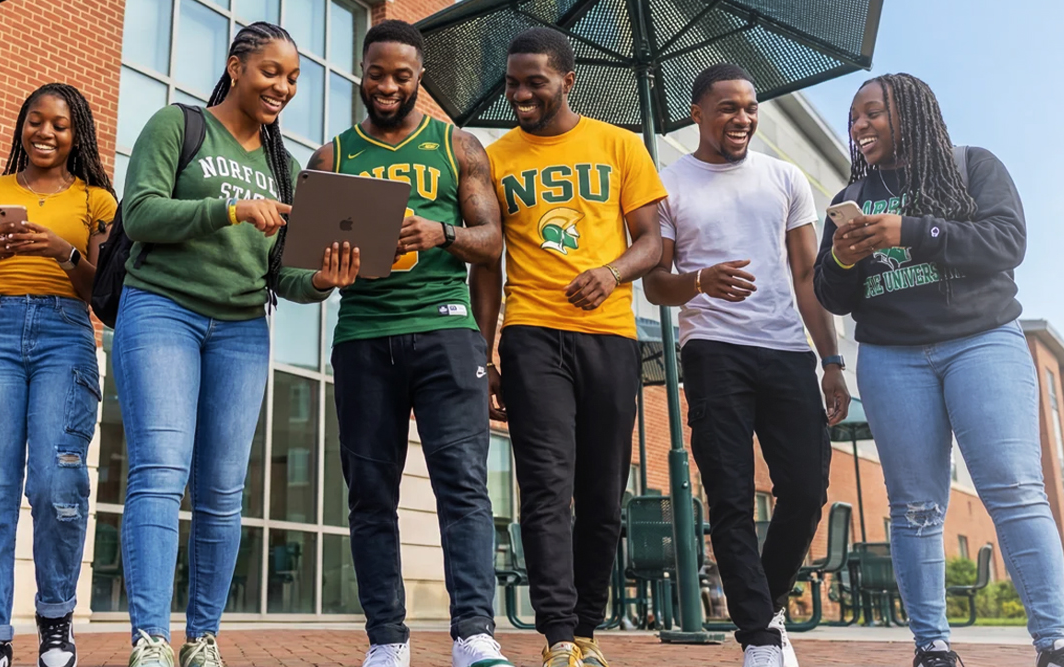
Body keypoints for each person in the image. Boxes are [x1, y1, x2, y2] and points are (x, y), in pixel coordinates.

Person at [814, 73, 1064, 667]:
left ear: (910, 114)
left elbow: (1006, 241)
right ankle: (933, 647)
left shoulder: (972, 166)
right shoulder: (853, 194)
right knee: (914, 506)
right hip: (891, 358)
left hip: (981, 342)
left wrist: (909, 230)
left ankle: (1057, 642)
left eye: (872, 113)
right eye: (854, 117)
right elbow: (830, 294)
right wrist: (843, 254)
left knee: (1015, 488)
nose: (859, 126)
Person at [112, 22, 361, 667]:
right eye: (271, 71)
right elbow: (138, 214)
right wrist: (231, 210)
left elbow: (282, 274)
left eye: (294, 78)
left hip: (243, 329)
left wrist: (324, 282)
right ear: (236, 65)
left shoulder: (280, 164)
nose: (283, 86)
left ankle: (202, 639)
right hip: (163, 309)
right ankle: (148, 639)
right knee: (161, 473)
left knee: (224, 490)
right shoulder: (179, 125)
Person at [304, 20, 512, 667]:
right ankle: (387, 640)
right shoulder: (332, 158)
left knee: (463, 488)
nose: (388, 85)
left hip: (447, 335)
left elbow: (492, 244)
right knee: (370, 493)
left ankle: (473, 634)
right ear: (361, 74)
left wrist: (439, 233)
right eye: (377, 73)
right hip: (364, 337)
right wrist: (327, 265)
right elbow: (304, 263)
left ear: (420, 78)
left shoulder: (458, 147)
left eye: (401, 75)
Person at [641, 63, 848, 667]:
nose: (743, 118)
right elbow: (657, 284)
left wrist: (831, 360)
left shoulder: (785, 178)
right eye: (728, 107)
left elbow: (808, 275)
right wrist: (700, 281)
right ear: (698, 113)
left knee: (806, 491)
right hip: (713, 352)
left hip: (786, 351)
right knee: (730, 498)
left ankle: (765, 602)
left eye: (750, 108)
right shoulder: (669, 183)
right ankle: (759, 637)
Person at [483, 27, 668, 667]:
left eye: (535, 80)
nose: (521, 93)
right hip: (532, 331)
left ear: (567, 79)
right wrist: (488, 354)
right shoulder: (495, 157)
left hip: (610, 335)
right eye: (512, 82)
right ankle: (558, 635)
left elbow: (653, 242)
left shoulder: (619, 145)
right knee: (543, 486)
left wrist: (612, 273)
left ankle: (586, 632)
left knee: (600, 493)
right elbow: (486, 263)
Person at [0, 82, 115, 667]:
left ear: (77, 135)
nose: (46, 132)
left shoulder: (97, 201)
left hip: (66, 335)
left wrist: (62, 253)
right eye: (35, 121)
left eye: (60, 125)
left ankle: (56, 622)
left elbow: (103, 294)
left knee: (55, 484)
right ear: (21, 127)